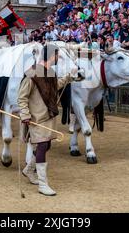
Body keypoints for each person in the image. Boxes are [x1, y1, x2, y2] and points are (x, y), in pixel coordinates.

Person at [18, 45, 77, 196]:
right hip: (36, 118)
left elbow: (54, 87)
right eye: (57, 56)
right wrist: (25, 115)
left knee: (47, 145)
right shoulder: (32, 73)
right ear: (52, 56)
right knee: (43, 146)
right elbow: (22, 97)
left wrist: (69, 77)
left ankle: (29, 170)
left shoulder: (51, 72)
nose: (58, 58)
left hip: (48, 116)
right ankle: (43, 184)